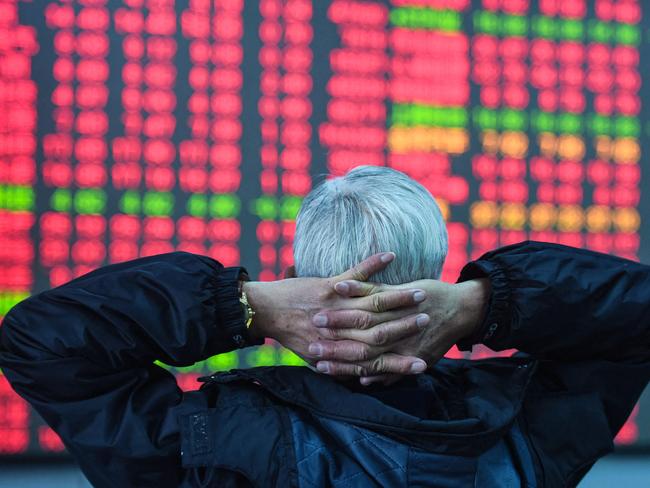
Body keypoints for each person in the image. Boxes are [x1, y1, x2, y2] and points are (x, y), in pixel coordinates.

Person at [0, 166, 647, 487]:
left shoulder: (215, 445)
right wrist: (487, 302)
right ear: (441, 277)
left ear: (294, 278)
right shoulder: (521, 434)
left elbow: (38, 340)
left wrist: (244, 306)